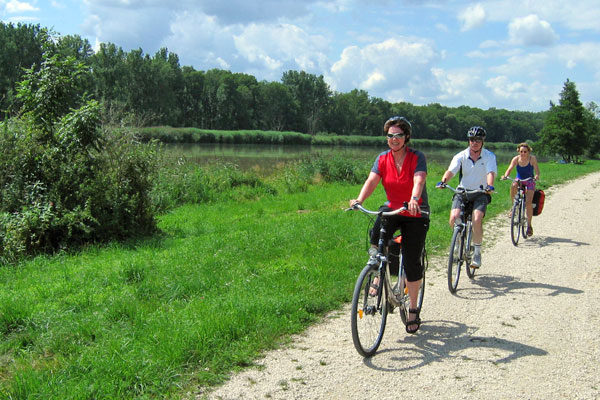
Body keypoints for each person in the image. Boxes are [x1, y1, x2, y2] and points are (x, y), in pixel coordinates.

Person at [349, 116, 429, 334]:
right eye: (390, 135)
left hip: (415, 211)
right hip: (392, 207)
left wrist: (414, 199)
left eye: (398, 135)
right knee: (376, 236)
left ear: (406, 137)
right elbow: (372, 180)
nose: (394, 139)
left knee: (412, 260)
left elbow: (419, 180)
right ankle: (377, 271)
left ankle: (413, 309)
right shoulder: (382, 158)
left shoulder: (416, 157)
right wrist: (359, 200)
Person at [436, 126, 497, 268]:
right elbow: (451, 170)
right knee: (454, 217)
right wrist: (444, 181)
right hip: (462, 192)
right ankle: (457, 243)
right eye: (471, 139)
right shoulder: (461, 155)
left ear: (483, 141)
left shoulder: (489, 156)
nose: (474, 142)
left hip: (481, 192)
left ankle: (476, 251)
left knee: (476, 218)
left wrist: (490, 185)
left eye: (477, 140)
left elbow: (491, 173)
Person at [501, 143, 540, 237]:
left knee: (528, 203)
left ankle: (529, 225)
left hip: (529, 180)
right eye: (521, 151)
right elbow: (510, 168)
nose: (523, 153)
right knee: (513, 185)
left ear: (528, 152)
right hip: (519, 180)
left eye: (525, 152)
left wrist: (536, 177)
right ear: (518, 151)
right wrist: (505, 176)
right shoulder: (516, 159)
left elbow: (537, 171)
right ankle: (513, 206)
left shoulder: (532, 159)